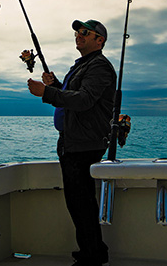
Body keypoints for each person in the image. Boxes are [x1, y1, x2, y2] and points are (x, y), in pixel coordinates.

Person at [27, 19, 116, 266]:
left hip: (84, 145)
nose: (79, 35)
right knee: (79, 204)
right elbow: (73, 97)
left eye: (86, 32)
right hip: (74, 142)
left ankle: (92, 257)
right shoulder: (83, 65)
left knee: (82, 205)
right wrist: (55, 85)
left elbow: (85, 100)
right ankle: (92, 253)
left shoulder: (99, 66)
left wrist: (47, 93)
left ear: (100, 40)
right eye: (78, 32)